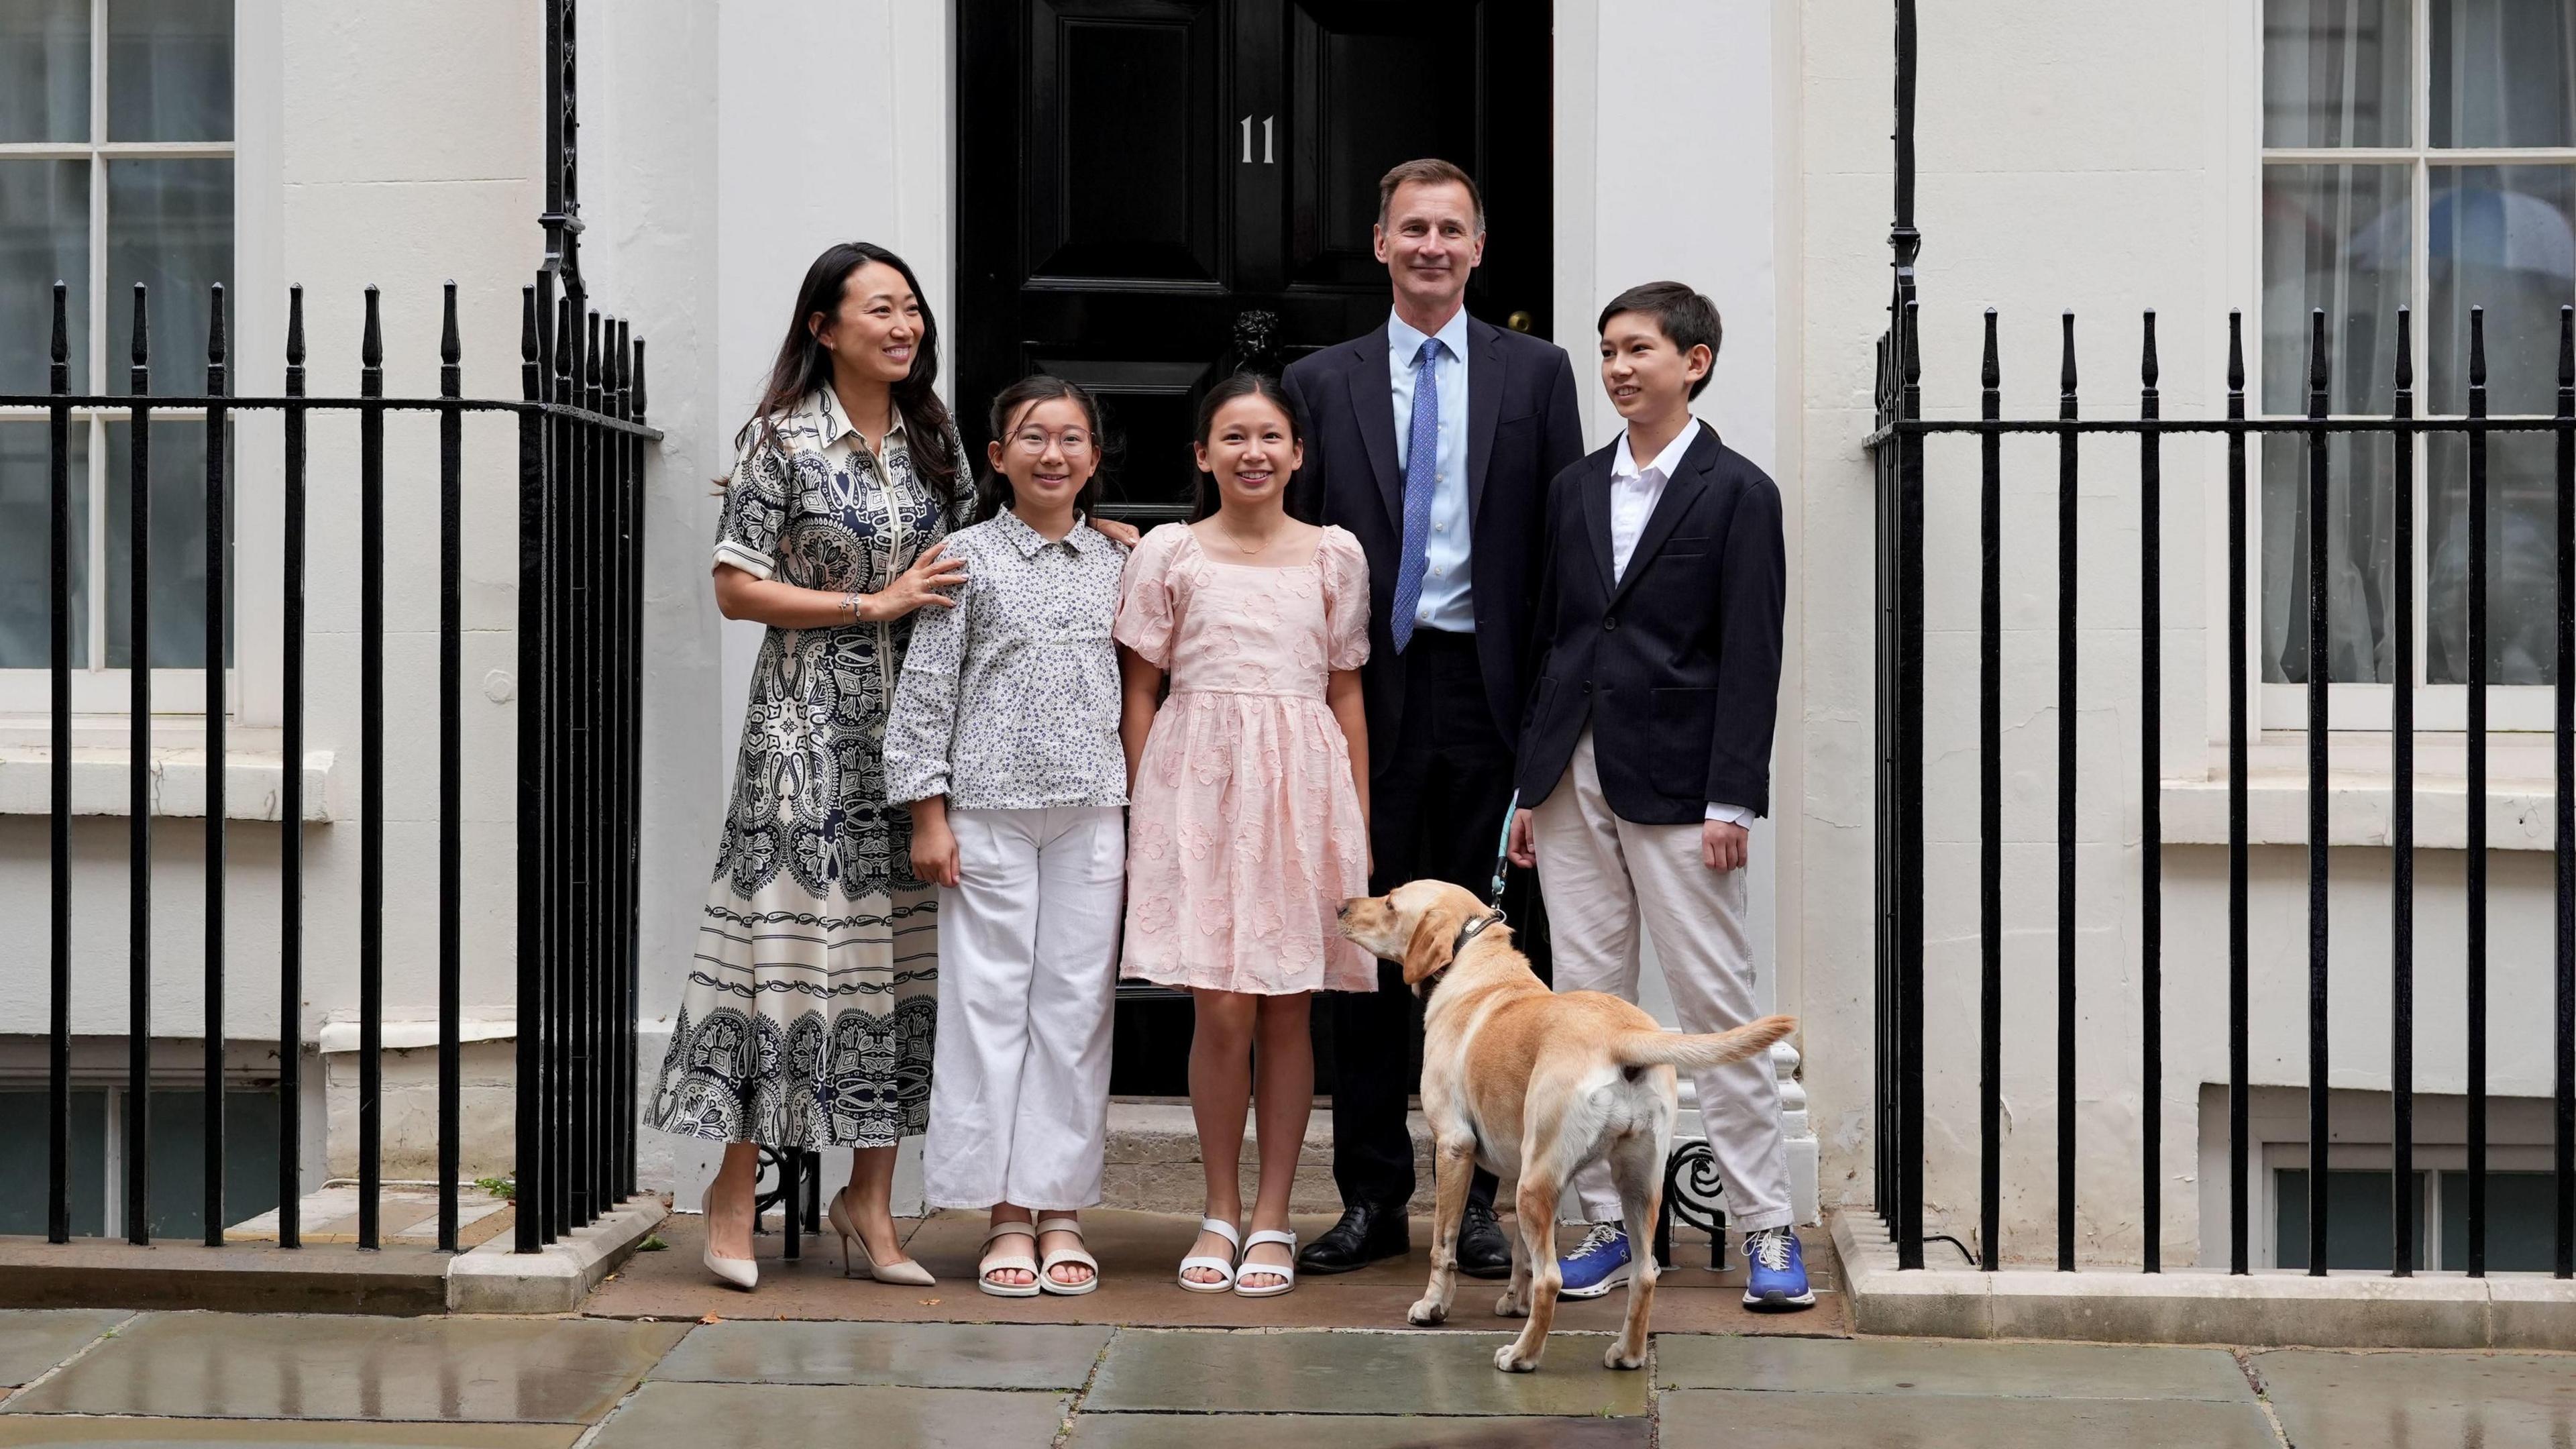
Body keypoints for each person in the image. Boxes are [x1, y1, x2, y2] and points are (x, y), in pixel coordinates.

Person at [643, 241, 969, 1293]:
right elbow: (737, 588)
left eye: (912, 309)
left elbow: (982, 552)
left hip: (914, 735)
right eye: (882, 308)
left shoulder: (935, 441)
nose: (906, 325)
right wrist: (868, 605)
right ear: (825, 328)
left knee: (900, 966)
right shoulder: (782, 440)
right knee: (778, 963)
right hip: (802, 739)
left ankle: (869, 1202)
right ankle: (732, 1193)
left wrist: (1098, 532)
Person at [1281, 158, 1584, 1279]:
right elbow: (1286, 544)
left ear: (1479, 244)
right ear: (1378, 243)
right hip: (1369, 696)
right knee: (1367, 955)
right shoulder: (1322, 381)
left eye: (1450, 229)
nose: (1431, 247)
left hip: (1492, 698)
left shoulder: (1541, 375)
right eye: (1412, 228)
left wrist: (1549, 736)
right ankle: (1372, 1197)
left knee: (1501, 955)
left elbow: (1565, 553)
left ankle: (1489, 1205)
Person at [1505, 281, 1807, 1310]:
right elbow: (1556, 637)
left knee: (1715, 1005)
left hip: (1683, 785)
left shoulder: (1740, 492)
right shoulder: (1574, 488)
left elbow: (1752, 655)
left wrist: (1735, 800)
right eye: (1609, 351)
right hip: (1568, 778)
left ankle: (1769, 1231)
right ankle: (1609, 1230)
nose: (1620, 367)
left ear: (1697, 360)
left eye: (1640, 349)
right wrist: (1526, 787)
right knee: (1586, 1013)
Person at [1115, 372, 1375, 1298]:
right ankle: (1218, 1208)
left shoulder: (1334, 555)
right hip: (1200, 790)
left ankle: (1275, 1215)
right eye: (1233, 437)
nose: (1253, 453)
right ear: (1202, 454)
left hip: (1304, 793)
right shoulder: (1169, 553)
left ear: (1298, 453)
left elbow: (1346, 692)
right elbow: (1140, 690)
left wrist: (1358, 829)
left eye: (1270, 437)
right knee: (1219, 1004)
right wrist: (1153, 807)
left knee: (1289, 1005)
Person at [885, 376, 1132, 1298]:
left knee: (1074, 1010)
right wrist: (928, 813)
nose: (1053, 454)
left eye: (1072, 438)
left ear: (1094, 459)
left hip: (1090, 811)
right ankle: (1002, 1213)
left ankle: (1059, 1205)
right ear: (998, 456)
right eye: (1033, 437)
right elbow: (926, 691)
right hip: (986, 811)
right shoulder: (964, 557)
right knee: (989, 1007)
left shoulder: (1121, 562)